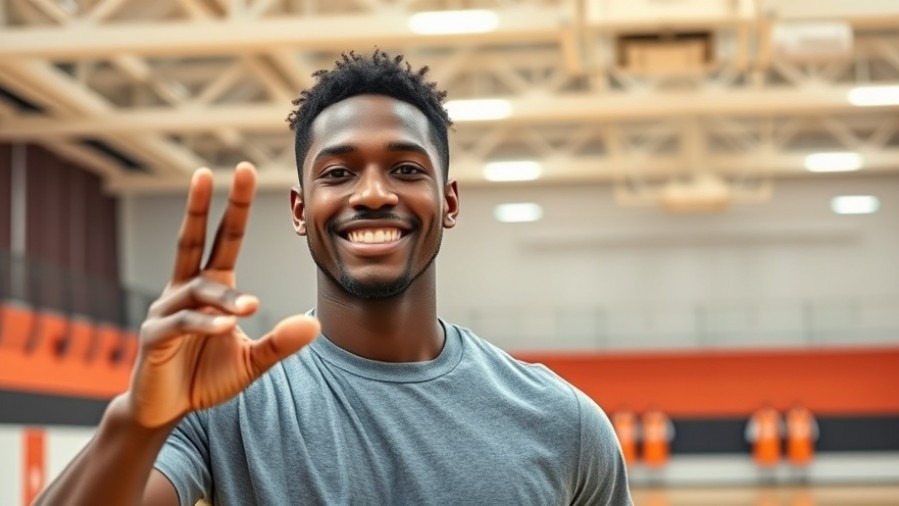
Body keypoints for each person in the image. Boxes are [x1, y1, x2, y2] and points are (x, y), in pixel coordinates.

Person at [35, 49, 631, 505]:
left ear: (449, 202)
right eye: (339, 172)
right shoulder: (225, 402)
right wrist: (139, 420)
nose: (372, 193)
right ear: (301, 209)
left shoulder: (564, 423)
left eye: (404, 168)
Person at [745, 403, 784, 483]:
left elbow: (781, 428)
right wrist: (752, 438)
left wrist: (781, 437)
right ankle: (763, 478)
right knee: (761, 461)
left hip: (773, 442)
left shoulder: (775, 416)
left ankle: (772, 477)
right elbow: (753, 428)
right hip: (762, 442)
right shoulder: (758, 416)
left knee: (773, 461)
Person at [785, 402, 819, 483]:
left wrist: (813, 437)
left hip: (804, 442)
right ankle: (795, 478)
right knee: (794, 461)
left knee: (805, 460)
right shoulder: (791, 416)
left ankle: (804, 477)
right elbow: (786, 429)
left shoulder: (807, 415)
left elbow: (813, 427)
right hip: (794, 442)